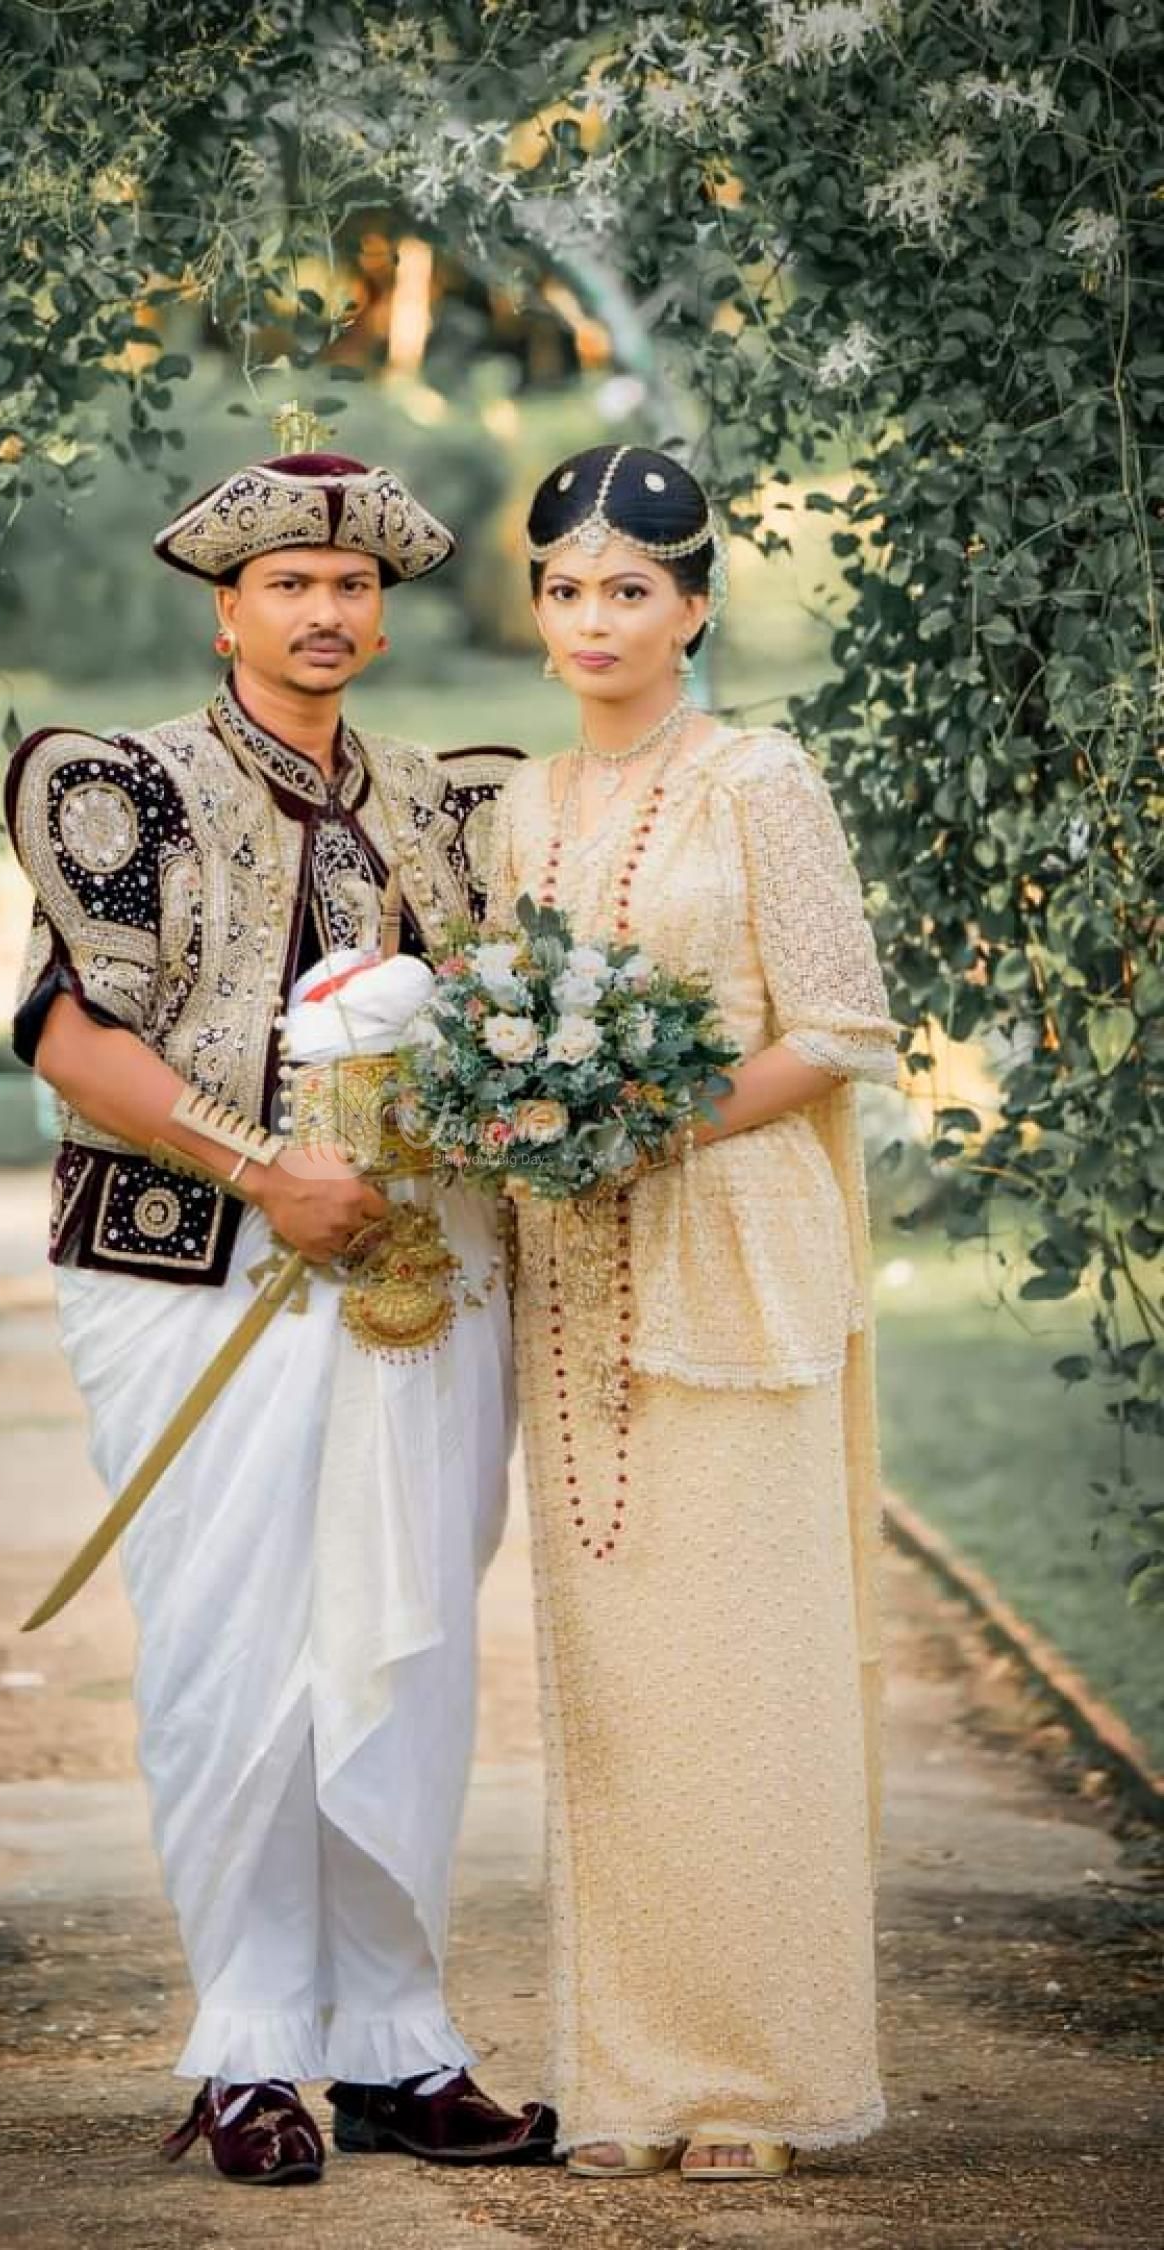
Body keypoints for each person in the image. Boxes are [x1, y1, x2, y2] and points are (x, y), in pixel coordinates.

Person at [2, 418, 555, 2187]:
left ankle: (395, 2041)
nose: (325, 609)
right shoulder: (133, 787)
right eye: (291, 581)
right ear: (227, 610)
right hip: (189, 1261)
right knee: (235, 1653)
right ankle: (249, 2050)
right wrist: (262, 1171)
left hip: (412, 1271)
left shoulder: (450, 801)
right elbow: (66, 1033)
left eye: (352, 583)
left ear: (382, 616)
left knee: (406, 1644)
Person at [484, 443, 899, 2182]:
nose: (594, 618)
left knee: (750, 1669)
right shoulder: (522, 810)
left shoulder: (760, 781)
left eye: (630, 589)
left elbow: (842, 1027)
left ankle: (760, 2080)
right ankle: (633, 2073)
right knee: (625, 1682)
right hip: (576, 1275)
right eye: (566, 588)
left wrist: (653, 1118)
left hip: (735, 1259)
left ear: (695, 607)